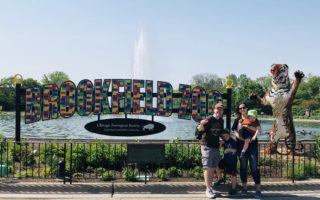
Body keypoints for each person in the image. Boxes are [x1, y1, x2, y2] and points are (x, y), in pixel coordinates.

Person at [232, 103, 262, 199]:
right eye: (240, 108)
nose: (242, 109)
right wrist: (242, 139)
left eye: (244, 107)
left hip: (253, 146)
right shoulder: (237, 120)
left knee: (254, 167)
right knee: (243, 167)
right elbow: (235, 132)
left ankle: (258, 190)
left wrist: (247, 128)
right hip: (241, 146)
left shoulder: (253, 118)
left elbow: (259, 130)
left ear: (247, 108)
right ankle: (244, 188)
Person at [196, 102, 224, 199]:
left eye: (221, 109)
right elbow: (199, 131)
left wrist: (221, 140)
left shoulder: (221, 121)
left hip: (215, 146)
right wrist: (200, 126)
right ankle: (208, 189)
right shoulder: (208, 120)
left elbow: (219, 133)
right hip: (206, 146)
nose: (219, 111)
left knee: (212, 168)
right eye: (218, 109)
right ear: (214, 109)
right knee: (208, 168)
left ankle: (210, 188)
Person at [215, 129, 237, 195]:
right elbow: (217, 148)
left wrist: (229, 149)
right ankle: (220, 179)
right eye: (223, 136)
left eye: (226, 136)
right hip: (225, 160)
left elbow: (236, 151)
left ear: (229, 135)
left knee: (233, 174)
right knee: (217, 166)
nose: (225, 137)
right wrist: (220, 143)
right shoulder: (224, 141)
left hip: (232, 161)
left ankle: (234, 188)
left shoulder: (233, 141)